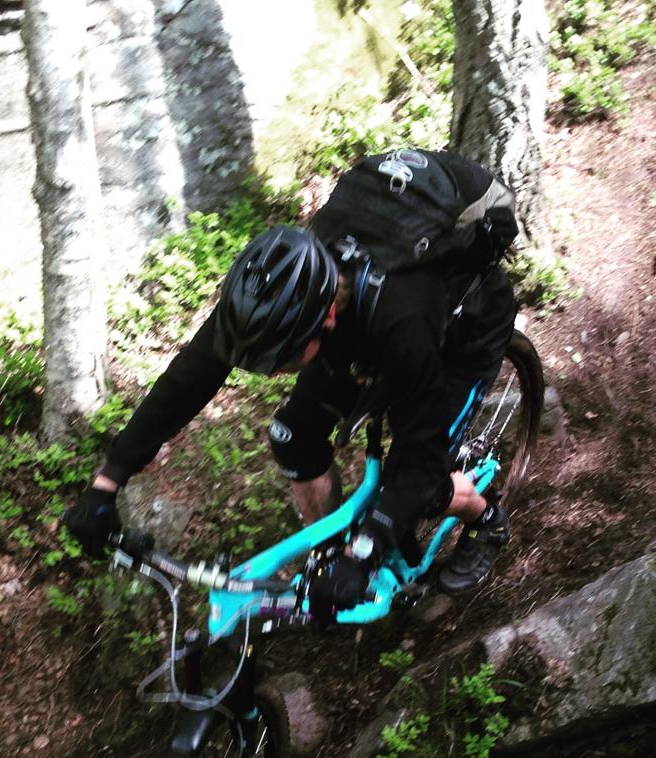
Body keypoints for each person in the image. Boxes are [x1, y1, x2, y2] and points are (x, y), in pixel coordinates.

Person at [62, 163, 518, 619]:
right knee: (293, 435)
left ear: (328, 321)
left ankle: (486, 519)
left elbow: (422, 455)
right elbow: (190, 377)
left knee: (415, 479)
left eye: (283, 362)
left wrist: (366, 550)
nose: (277, 375)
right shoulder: (280, 289)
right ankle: (336, 549)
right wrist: (109, 478)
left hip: (464, 333)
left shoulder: (400, 318)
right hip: (366, 336)